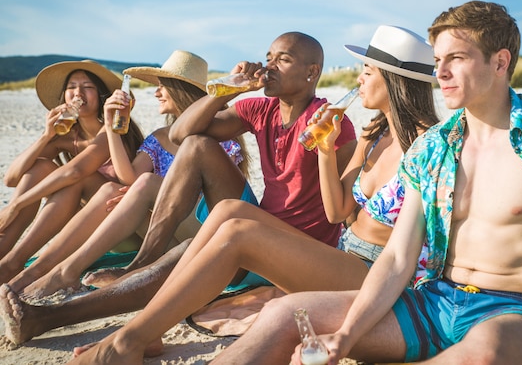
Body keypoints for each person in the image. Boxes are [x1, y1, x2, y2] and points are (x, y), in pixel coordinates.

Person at [208, 1, 522, 365]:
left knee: (483, 355)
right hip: (434, 300)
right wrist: (346, 335)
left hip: (515, 311)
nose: (440, 72)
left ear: (500, 62)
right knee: (285, 315)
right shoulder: (433, 147)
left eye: (456, 59)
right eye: (437, 60)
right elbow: (396, 259)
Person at [54, 26, 442, 364]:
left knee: (237, 230)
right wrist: (322, 150)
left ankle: (128, 341)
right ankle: (147, 325)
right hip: (344, 252)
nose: (357, 80)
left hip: (376, 272)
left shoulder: (431, 145)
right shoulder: (373, 136)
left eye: (367, 71)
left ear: (394, 80)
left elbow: (411, 238)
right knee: (228, 212)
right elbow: (339, 210)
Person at [0, 30, 360, 346]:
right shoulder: (259, 109)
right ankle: (140, 263)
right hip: (260, 220)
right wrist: (227, 90)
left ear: (312, 72)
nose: (268, 67)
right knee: (197, 147)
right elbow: (180, 134)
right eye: (267, 58)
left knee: (190, 254)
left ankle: (45, 317)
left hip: (297, 246)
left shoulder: (329, 122)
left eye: (283, 60)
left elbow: (340, 207)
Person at [7, 50, 249, 298]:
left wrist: (149, 194)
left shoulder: (219, 135)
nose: (156, 93)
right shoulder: (160, 137)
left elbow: (211, 198)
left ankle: (58, 271)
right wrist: (112, 128)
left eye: (161, 86)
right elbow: (129, 179)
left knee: (142, 184)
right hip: (163, 233)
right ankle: (48, 271)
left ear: (179, 89)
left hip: (201, 231)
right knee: (116, 189)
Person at [0, 61, 144, 284]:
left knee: (78, 177)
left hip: (121, 228)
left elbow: (76, 171)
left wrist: (15, 205)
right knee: (41, 166)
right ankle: (4, 254)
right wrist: (46, 136)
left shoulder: (113, 127)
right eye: (72, 87)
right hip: (83, 226)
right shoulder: (67, 136)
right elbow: (12, 178)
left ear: (101, 95)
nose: (78, 93)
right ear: (64, 96)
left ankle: (14, 262)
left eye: (87, 87)